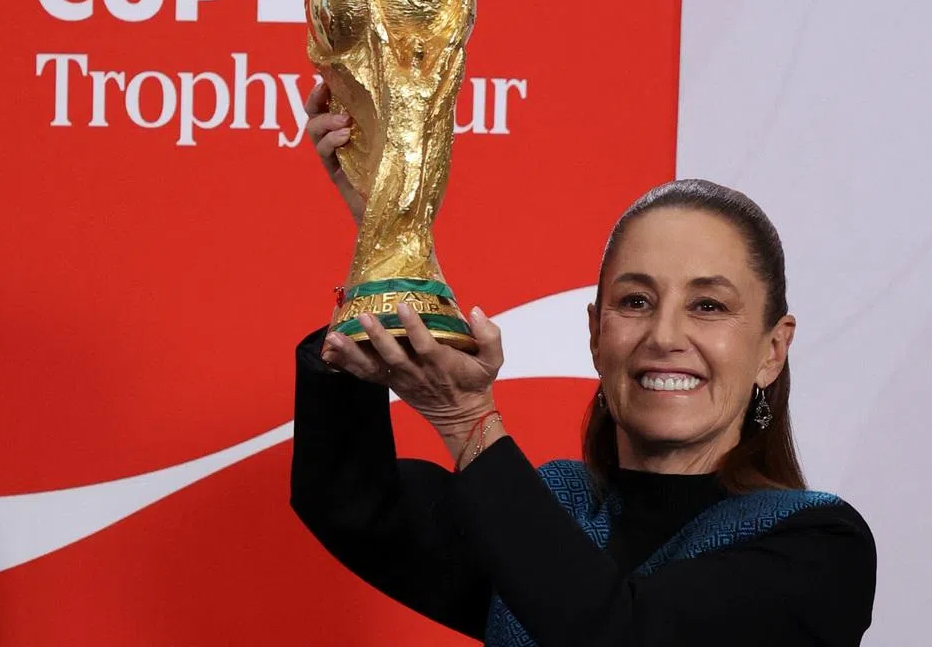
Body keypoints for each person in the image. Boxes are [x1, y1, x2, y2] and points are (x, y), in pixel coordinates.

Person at [290, 85, 877, 646]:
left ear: (772, 351)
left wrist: (468, 422)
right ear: (596, 334)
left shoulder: (818, 547)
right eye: (636, 302)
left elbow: (617, 635)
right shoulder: (555, 505)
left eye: (708, 306)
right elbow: (351, 503)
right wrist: (391, 235)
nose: (664, 335)